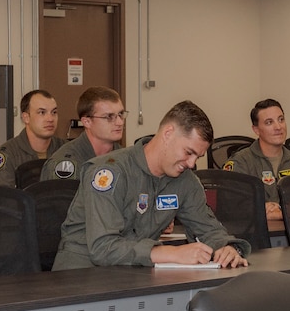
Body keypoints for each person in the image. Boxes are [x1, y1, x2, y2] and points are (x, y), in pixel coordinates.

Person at [53, 100, 250, 269]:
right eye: (188, 152)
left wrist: (227, 248)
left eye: (197, 156)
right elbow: (103, 248)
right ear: (168, 134)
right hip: (81, 275)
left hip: (133, 273)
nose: (191, 163)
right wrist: (171, 254)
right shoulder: (110, 172)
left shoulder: (185, 181)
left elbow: (209, 229)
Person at [222, 98, 290, 221]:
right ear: (256, 130)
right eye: (269, 122)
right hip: (255, 235)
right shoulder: (240, 163)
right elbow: (232, 207)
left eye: (281, 120)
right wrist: (280, 212)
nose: (278, 127)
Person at [41, 86, 126, 182]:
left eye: (121, 114)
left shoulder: (126, 157)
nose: (120, 122)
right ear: (87, 122)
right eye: (109, 117)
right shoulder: (67, 163)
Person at [0, 89, 65, 187]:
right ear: (26, 117)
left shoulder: (67, 150)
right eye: (42, 112)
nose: (50, 119)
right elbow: (3, 199)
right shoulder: (7, 155)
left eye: (54, 112)